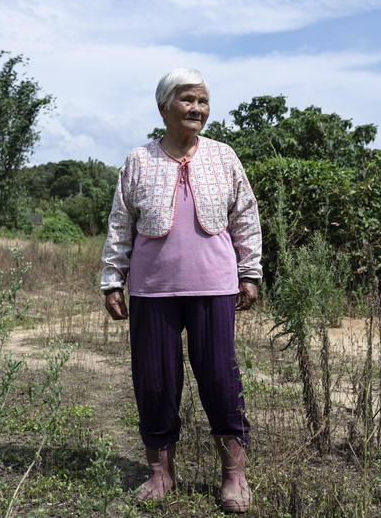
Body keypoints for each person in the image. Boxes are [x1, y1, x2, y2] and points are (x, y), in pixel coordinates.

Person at [101, 67, 262, 513]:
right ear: (163, 108)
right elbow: (120, 223)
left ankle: (234, 475)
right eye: (187, 100)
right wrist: (113, 279)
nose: (197, 109)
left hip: (214, 287)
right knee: (155, 382)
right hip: (153, 290)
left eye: (203, 101)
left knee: (220, 379)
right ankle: (160, 472)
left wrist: (249, 273)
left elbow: (245, 216)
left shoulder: (224, 157)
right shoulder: (139, 160)